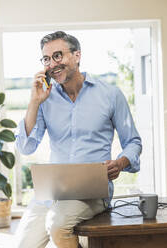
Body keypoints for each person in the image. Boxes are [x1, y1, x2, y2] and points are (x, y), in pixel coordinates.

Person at [14, 31, 142, 248]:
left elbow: (133, 142)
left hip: (91, 192)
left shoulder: (110, 94)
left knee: (57, 224)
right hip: (53, 192)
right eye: (46, 59)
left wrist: (120, 163)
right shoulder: (45, 99)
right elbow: (26, 147)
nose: (52, 64)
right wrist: (34, 102)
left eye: (58, 55)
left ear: (77, 55)